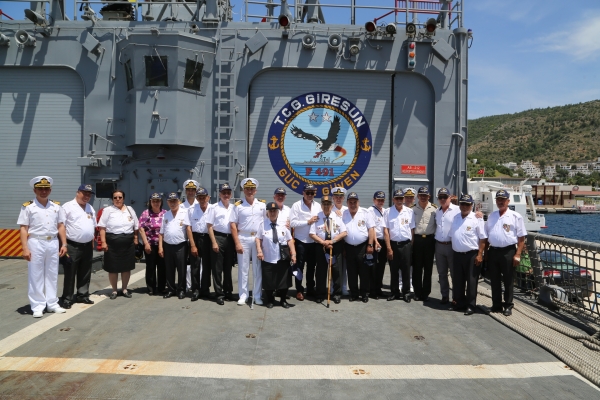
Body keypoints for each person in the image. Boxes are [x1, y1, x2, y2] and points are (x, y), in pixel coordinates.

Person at [18, 176, 67, 318]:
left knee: (52, 274)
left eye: (46, 189)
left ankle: (52, 303)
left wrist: (64, 244)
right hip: (36, 242)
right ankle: (38, 305)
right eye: (40, 189)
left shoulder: (56, 206)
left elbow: (61, 226)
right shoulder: (28, 207)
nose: (43, 191)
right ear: (35, 190)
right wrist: (25, 248)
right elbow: (23, 228)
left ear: (50, 190)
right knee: (36, 274)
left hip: (53, 242)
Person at [485, 189, 527, 316]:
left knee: (508, 280)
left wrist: (518, 254)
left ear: (508, 201)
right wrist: (485, 252)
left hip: (508, 251)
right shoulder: (492, 216)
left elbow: (521, 238)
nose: (500, 202)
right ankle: (496, 305)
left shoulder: (515, 216)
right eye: (498, 199)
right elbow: (486, 235)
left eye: (503, 200)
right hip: (493, 251)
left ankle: (508, 305)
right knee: (494, 280)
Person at [448, 194, 487, 315]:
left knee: (471, 281)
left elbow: (483, 238)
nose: (464, 206)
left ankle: (471, 305)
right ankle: (459, 303)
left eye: (467, 204)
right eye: (462, 204)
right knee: (458, 280)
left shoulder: (477, 218)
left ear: (471, 205)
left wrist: (480, 255)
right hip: (457, 254)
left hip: (471, 255)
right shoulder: (455, 218)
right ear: (459, 205)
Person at [59, 184, 97, 309]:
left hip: (87, 245)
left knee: (85, 271)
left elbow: (93, 225)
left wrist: (91, 241)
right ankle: (67, 298)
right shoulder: (67, 207)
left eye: (89, 194)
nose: (86, 196)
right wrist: (63, 244)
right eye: (84, 193)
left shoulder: (90, 207)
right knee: (70, 272)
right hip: (72, 245)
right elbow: (61, 226)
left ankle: (82, 295)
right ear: (77, 192)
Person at [230, 178, 266, 306]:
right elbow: (233, 225)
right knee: (243, 268)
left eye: (252, 189)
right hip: (243, 237)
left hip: (257, 238)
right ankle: (243, 295)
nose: (249, 191)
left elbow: (266, 222)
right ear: (243, 190)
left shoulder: (262, 205)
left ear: (255, 190)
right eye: (247, 189)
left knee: (257, 268)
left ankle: (257, 295)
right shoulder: (238, 206)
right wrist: (237, 243)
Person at [98, 190, 139, 300]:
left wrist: (136, 238)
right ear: (112, 199)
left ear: (123, 198)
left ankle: (124, 289)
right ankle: (114, 290)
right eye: (115, 197)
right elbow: (102, 227)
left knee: (126, 267)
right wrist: (103, 242)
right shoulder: (108, 210)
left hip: (128, 243)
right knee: (113, 268)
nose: (117, 199)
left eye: (120, 197)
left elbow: (136, 225)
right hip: (112, 243)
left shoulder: (130, 209)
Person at [256, 202, 297, 309]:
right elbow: (258, 238)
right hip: (268, 257)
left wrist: (293, 254)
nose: (273, 213)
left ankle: (283, 300)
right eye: (271, 211)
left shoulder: (283, 225)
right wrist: (259, 251)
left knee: (284, 280)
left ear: (278, 212)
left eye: (275, 211)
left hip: (282, 257)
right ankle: (270, 300)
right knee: (268, 280)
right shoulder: (263, 224)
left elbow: (290, 240)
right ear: (267, 213)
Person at [310, 195, 347, 304]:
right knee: (321, 271)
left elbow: (344, 232)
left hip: (335, 246)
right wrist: (323, 242)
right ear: (321, 205)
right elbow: (312, 233)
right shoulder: (317, 217)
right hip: (321, 246)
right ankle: (320, 294)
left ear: (332, 205)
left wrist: (332, 241)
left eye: (328, 204)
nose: (326, 206)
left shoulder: (337, 216)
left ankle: (336, 294)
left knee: (337, 271)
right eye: (324, 204)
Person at [290, 184, 321, 300]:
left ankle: (310, 288)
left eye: (312, 193)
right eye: (308, 192)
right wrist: (307, 222)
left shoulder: (318, 206)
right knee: (299, 267)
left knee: (312, 266)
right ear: (303, 193)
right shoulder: (296, 205)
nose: (310, 195)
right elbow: (292, 223)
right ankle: (299, 290)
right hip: (301, 241)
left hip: (314, 241)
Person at [342, 192, 375, 302]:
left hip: (362, 247)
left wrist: (370, 244)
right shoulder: (343, 214)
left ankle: (364, 294)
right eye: (350, 202)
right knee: (351, 272)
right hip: (348, 247)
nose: (352, 204)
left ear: (358, 202)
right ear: (347, 203)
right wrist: (343, 248)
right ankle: (354, 294)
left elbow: (371, 229)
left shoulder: (365, 213)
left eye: (354, 202)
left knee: (364, 271)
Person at [159, 192, 193, 299]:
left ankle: (181, 290)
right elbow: (161, 232)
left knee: (181, 269)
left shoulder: (185, 213)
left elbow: (188, 229)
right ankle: (171, 289)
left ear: (178, 201)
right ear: (167, 202)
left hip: (181, 245)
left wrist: (192, 245)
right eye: (170, 201)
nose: (172, 203)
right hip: (168, 245)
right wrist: (160, 247)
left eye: (174, 201)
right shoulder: (165, 214)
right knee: (169, 269)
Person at [206, 183, 235, 305]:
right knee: (217, 268)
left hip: (230, 239)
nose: (226, 195)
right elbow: (209, 226)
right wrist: (214, 242)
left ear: (231, 194)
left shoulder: (234, 207)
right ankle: (219, 294)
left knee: (228, 267)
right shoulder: (214, 207)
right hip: (218, 237)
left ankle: (228, 292)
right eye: (224, 193)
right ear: (219, 194)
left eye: (228, 193)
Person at [384, 189, 415, 303]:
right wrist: (388, 248)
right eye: (397, 198)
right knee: (394, 270)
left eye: (401, 198)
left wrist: (411, 245)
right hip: (393, 245)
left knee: (406, 269)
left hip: (406, 244)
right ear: (393, 199)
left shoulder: (409, 212)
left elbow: (412, 230)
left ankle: (406, 293)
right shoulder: (388, 212)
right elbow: (386, 231)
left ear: (404, 199)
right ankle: (394, 292)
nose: (399, 200)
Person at [434, 187, 460, 304]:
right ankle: (445, 296)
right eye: (440, 197)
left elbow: (469, 214)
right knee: (442, 273)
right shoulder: (437, 211)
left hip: (451, 246)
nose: (443, 199)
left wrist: (478, 214)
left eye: (445, 197)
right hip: (439, 246)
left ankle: (455, 297)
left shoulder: (457, 210)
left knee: (454, 274)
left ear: (450, 198)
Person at [412, 186, 437, 302]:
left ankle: (426, 293)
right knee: (417, 268)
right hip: (417, 240)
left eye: (425, 195)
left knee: (428, 268)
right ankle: (417, 292)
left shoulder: (434, 209)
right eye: (421, 195)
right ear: (418, 196)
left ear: (429, 196)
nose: (423, 197)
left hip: (429, 240)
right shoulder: (412, 209)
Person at [138, 193, 167, 296]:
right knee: (150, 266)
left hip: (162, 244)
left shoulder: (165, 213)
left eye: (158, 201)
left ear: (161, 202)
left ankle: (162, 287)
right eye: (153, 201)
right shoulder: (146, 213)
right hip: (149, 244)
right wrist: (145, 243)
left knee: (162, 266)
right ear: (150, 202)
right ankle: (151, 288)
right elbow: (141, 229)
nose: (156, 203)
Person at [189, 187, 213, 301]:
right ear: (197, 198)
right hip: (196, 238)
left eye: (204, 197)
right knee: (195, 266)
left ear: (208, 197)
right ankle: (195, 290)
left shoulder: (213, 209)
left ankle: (205, 290)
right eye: (199, 198)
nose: (202, 200)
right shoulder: (191, 209)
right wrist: (193, 245)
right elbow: (188, 228)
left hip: (208, 238)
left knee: (207, 265)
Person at [368, 191, 387, 299]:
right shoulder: (371, 211)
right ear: (374, 200)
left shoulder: (385, 211)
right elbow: (372, 227)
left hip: (383, 241)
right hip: (376, 241)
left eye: (382, 200)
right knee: (373, 267)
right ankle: (372, 291)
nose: (380, 202)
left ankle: (378, 288)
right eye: (378, 200)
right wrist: (375, 241)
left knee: (381, 266)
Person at [331, 187, 349, 296]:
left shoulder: (347, 210)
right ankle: (333, 287)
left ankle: (344, 287)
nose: (338, 199)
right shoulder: (330, 209)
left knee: (345, 266)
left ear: (343, 198)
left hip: (346, 241)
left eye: (340, 197)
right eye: (336, 197)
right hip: (336, 241)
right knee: (334, 266)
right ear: (333, 198)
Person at [401, 187, 416, 293]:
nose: (409, 199)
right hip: (402, 240)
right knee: (400, 263)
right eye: (407, 197)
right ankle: (400, 283)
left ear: (414, 199)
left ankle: (410, 283)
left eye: (411, 197)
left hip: (414, 239)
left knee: (410, 263)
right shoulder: (399, 208)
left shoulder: (416, 209)